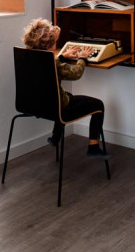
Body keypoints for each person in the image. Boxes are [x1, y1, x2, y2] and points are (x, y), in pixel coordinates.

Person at [21, 18, 110, 159]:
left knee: (64, 95)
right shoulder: (52, 62)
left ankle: (55, 138)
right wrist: (83, 58)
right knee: (98, 105)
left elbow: (53, 64)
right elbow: (75, 74)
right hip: (56, 108)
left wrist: (62, 56)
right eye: (55, 42)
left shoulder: (28, 57)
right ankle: (93, 147)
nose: (56, 45)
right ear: (49, 45)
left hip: (33, 105)